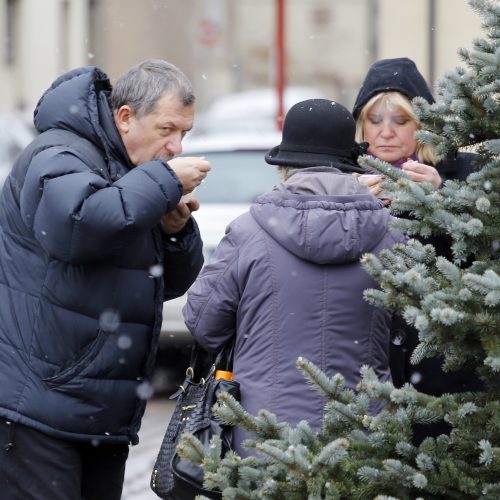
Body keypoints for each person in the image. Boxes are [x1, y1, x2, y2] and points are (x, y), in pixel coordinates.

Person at [0, 59, 211, 499]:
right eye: (168, 129)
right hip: (39, 406)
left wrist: (174, 233)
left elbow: (162, 283)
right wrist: (163, 181)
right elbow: (80, 227)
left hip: (98, 412)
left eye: (185, 134)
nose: (176, 146)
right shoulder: (59, 154)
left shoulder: (129, 172)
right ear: (126, 117)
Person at [183, 99, 406, 456]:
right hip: (364, 439)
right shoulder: (392, 237)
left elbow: (204, 323)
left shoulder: (248, 231)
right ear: (350, 166)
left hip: (264, 438)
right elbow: (409, 334)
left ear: (284, 166)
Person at [352, 57, 482, 442]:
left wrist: (442, 201)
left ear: (422, 126)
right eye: (375, 121)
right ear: (361, 124)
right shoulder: (342, 177)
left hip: (444, 362)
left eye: (401, 121)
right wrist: (348, 204)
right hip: (362, 356)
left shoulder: (464, 174)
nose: (386, 133)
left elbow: (480, 253)